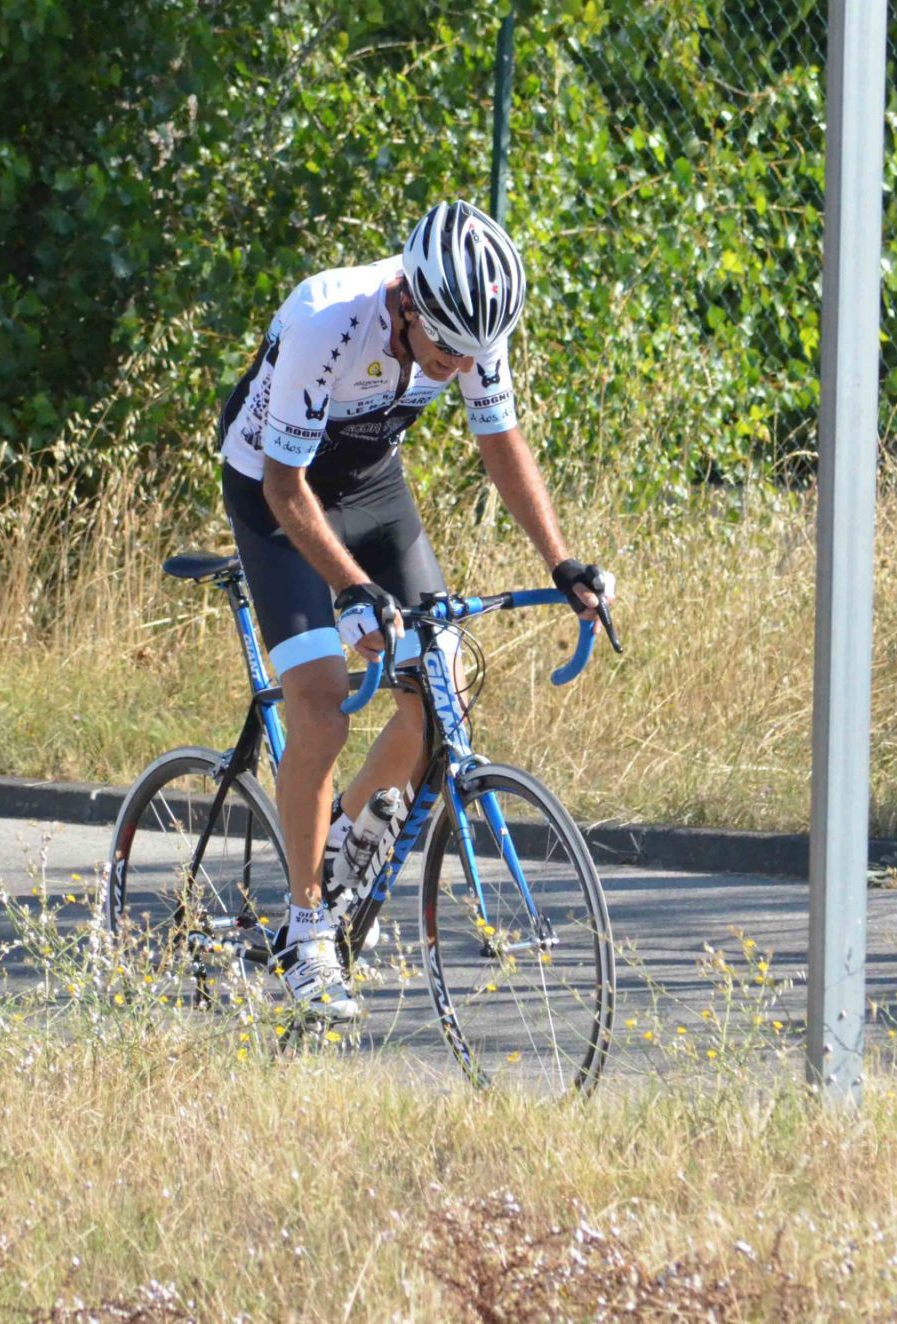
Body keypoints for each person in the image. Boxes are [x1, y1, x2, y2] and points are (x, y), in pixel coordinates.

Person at [218, 200, 615, 1022]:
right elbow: (285, 488)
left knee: (442, 689)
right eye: (447, 350)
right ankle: (305, 935)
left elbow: (500, 441)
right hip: (274, 491)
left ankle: (335, 854)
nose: (459, 365)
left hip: (369, 484)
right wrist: (350, 588)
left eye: (473, 354)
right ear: (407, 303)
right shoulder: (327, 320)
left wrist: (561, 561)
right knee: (322, 707)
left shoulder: (470, 324)